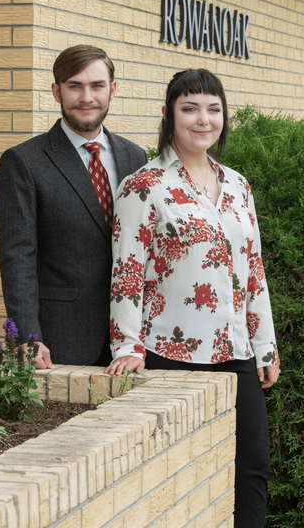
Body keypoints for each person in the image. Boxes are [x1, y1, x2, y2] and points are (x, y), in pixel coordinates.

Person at [105, 69, 279, 528]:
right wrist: (127, 346)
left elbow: (253, 271)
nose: (203, 120)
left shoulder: (238, 185)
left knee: (252, 469)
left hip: (236, 351)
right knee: (180, 478)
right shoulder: (144, 186)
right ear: (168, 115)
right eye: (190, 108)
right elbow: (127, 273)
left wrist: (265, 346)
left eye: (213, 109)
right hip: (170, 356)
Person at [0, 45, 147, 369]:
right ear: (56, 91)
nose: (86, 97)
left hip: (131, 338)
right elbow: (17, 257)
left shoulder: (135, 157)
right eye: (75, 86)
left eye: (97, 86)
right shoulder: (23, 162)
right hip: (59, 337)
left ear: (112, 90)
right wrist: (28, 336)